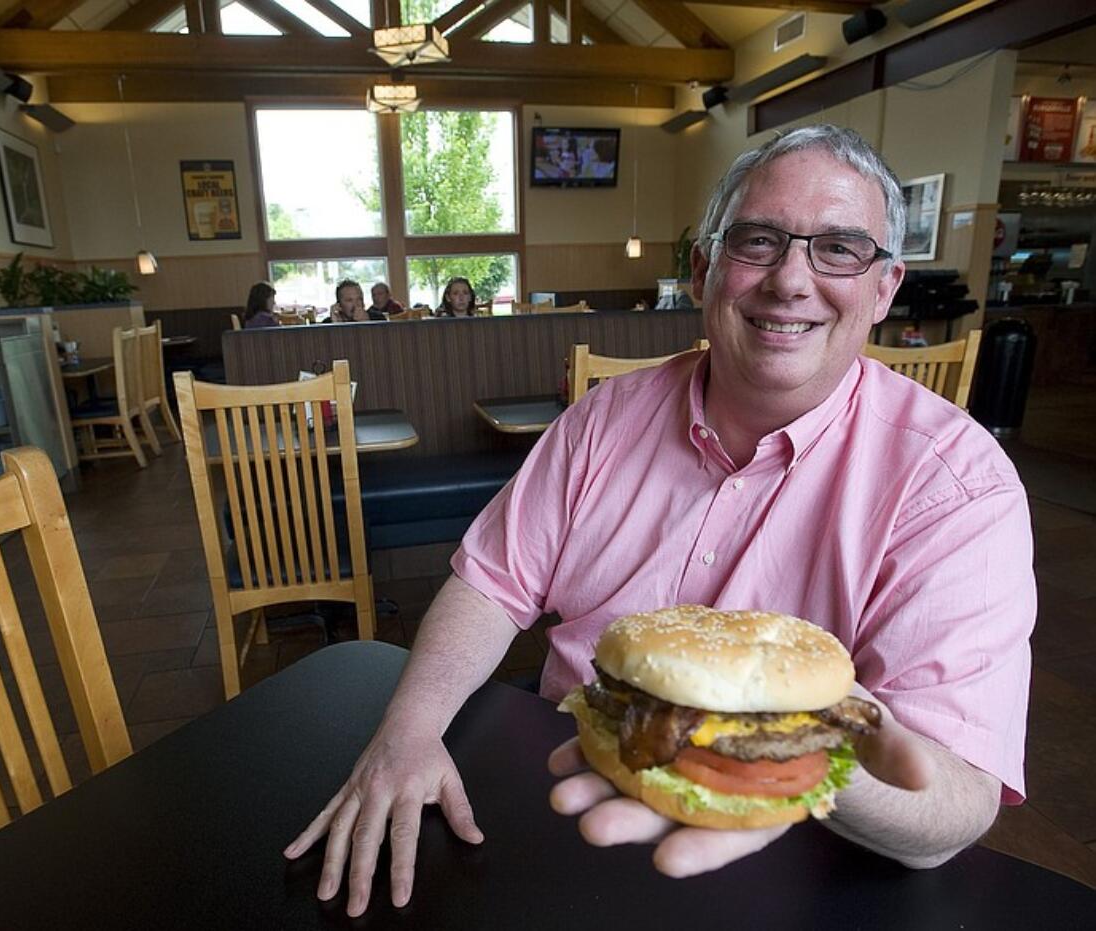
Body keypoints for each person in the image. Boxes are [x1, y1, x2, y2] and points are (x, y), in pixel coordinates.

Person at [284, 125, 1034, 917]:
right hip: (561, 798)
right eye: (759, 240)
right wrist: (407, 731)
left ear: (884, 289)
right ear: (706, 268)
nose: (790, 280)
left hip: (802, 858)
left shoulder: (958, 486)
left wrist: (780, 761)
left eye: (839, 250)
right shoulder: (602, 419)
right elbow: (492, 587)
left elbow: (953, 802)